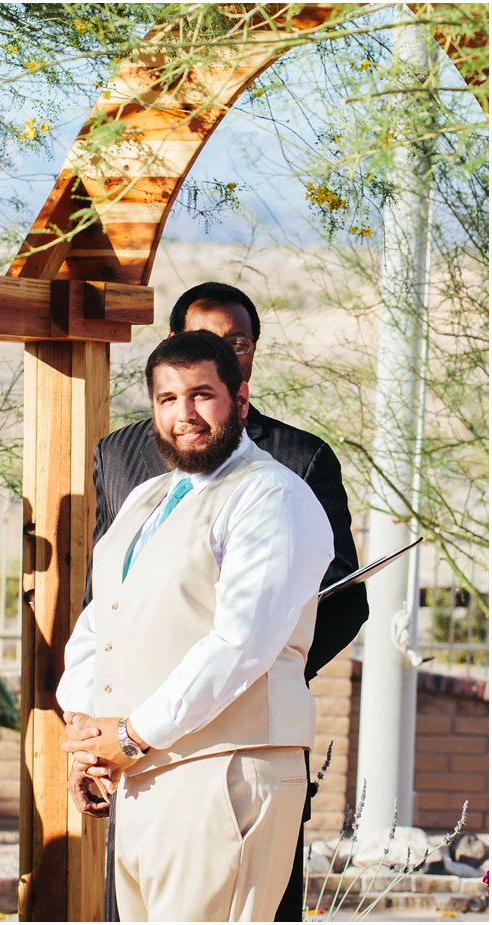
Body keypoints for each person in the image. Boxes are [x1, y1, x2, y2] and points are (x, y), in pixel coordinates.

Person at [88, 282, 367, 920]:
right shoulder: (144, 487)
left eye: (204, 390)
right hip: (139, 760)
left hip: (220, 762)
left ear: (240, 384)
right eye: (167, 398)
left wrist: (270, 675)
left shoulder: (285, 479)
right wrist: (91, 735)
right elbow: (103, 610)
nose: (183, 412)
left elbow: (254, 637)